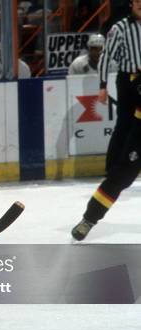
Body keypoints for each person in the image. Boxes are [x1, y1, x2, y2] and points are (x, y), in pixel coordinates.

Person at [71, 0, 141, 241]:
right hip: (132, 86)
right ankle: (89, 218)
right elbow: (108, 57)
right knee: (121, 173)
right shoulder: (121, 28)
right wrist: (103, 85)